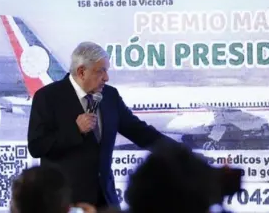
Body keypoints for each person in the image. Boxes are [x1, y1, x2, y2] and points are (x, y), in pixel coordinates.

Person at [27, 41, 180, 209]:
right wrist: (75, 130)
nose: (106, 78)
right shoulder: (47, 97)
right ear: (81, 71)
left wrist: (179, 153)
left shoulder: (110, 95)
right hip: (67, 203)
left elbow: (139, 132)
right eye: (101, 71)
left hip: (106, 201)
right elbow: (37, 146)